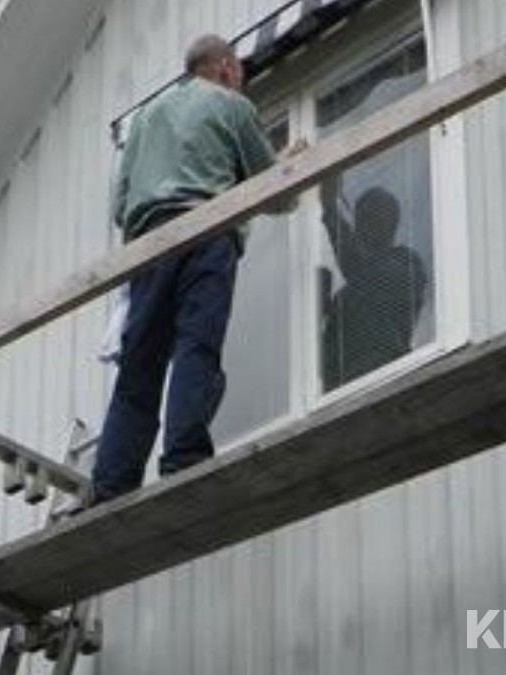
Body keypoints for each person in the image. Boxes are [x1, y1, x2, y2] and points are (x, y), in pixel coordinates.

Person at [92, 35, 282, 503]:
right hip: (205, 231)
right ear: (226, 67)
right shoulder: (231, 105)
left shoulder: (145, 119)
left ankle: (112, 484)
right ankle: (183, 457)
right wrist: (290, 167)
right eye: (239, 73)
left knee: (138, 368)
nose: (239, 80)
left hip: (148, 248)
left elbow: (119, 207)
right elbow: (274, 190)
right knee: (196, 344)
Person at [319, 177, 427, 390]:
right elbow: (327, 357)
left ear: (392, 224)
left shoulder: (406, 264)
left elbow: (360, 269)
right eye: (364, 218)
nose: (367, 225)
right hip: (341, 389)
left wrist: (330, 209)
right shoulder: (350, 293)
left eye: (376, 217)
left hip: (386, 375)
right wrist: (322, 308)